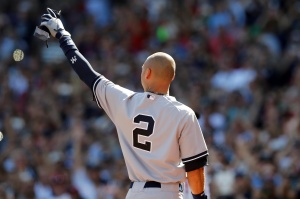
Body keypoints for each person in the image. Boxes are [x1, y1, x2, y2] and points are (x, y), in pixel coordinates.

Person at [39, 8, 209, 199]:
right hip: (167, 193)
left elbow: (86, 72)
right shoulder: (184, 114)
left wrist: (63, 35)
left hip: (136, 193)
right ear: (172, 77)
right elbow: (195, 169)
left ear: (147, 73)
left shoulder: (124, 100)